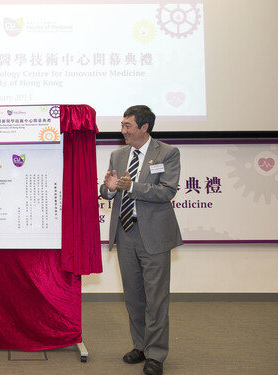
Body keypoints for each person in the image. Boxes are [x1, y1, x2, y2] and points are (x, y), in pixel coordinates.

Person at [100, 105, 182, 375]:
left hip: (154, 236)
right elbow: (109, 189)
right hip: (125, 233)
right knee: (134, 297)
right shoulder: (118, 154)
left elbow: (167, 190)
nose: (122, 131)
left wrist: (132, 186)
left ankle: (156, 354)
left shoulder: (167, 153)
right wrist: (109, 190)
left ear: (144, 127)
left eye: (127, 126)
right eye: (122, 125)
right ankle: (141, 345)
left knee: (156, 298)